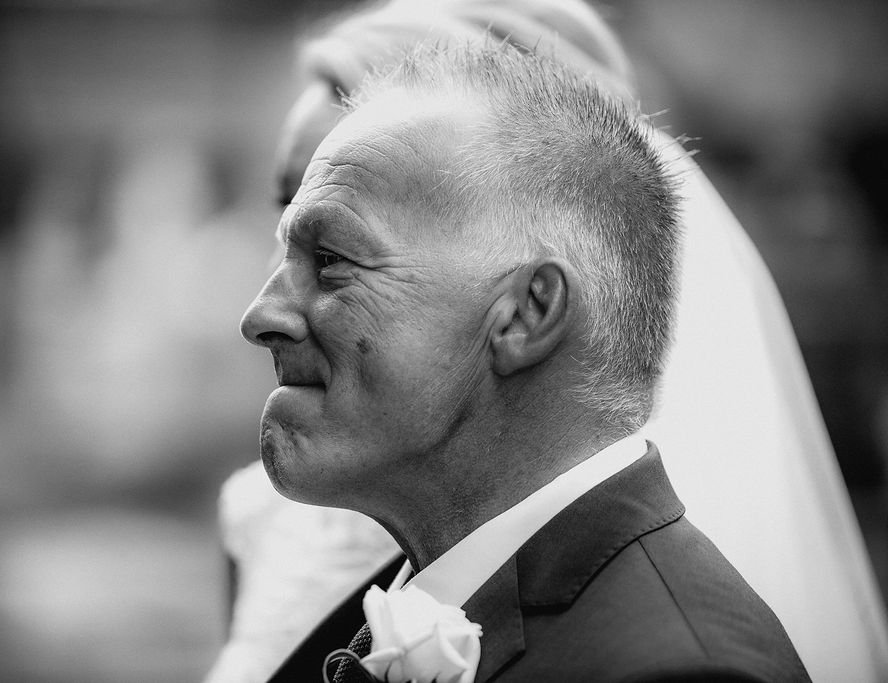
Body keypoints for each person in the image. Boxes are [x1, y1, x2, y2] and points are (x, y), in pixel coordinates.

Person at [209, 2, 888, 681]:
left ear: (526, 313)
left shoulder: (679, 669)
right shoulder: (413, 594)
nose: (259, 313)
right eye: (284, 226)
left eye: (332, 256)